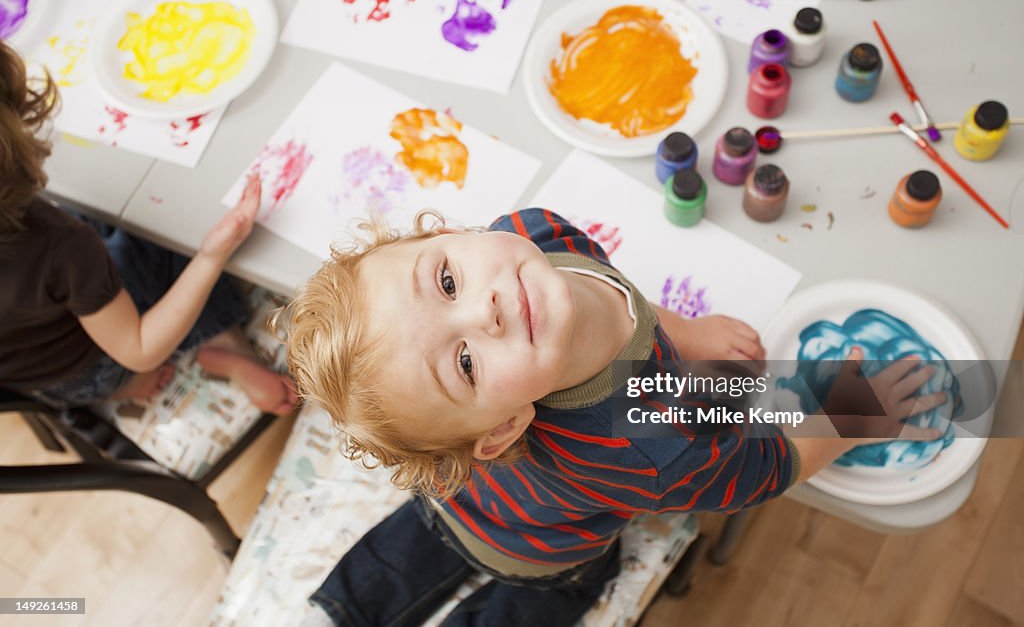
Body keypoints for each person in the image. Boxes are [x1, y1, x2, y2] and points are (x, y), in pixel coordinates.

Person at [282, 207, 944, 626]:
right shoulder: (652, 440)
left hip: (456, 494)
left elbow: (622, 299)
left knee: (420, 534)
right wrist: (854, 410)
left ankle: (348, 604)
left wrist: (687, 332)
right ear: (505, 425)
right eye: (464, 363)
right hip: (540, 548)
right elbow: (763, 469)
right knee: (549, 590)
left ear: (449, 233)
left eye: (447, 281)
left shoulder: (530, 234)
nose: (483, 308)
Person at [0, 40, 296, 415]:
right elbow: (139, 348)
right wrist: (210, 256)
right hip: (104, 363)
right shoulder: (59, 243)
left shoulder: (53, 246)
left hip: (43, 383)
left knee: (91, 225)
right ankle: (221, 345)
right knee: (157, 224)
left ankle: (139, 375)